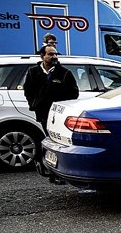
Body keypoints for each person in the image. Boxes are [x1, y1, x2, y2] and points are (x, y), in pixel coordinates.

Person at [23, 45, 79, 182]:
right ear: (42, 56)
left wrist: (62, 106)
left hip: (59, 115)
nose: (54, 57)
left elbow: (74, 93)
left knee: (58, 143)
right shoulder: (33, 72)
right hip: (43, 113)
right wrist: (34, 104)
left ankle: (58, 173)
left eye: (55, 54)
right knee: (49, 141)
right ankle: (52, 171)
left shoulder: (64, 73)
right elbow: (28, 90)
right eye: (50, 54)